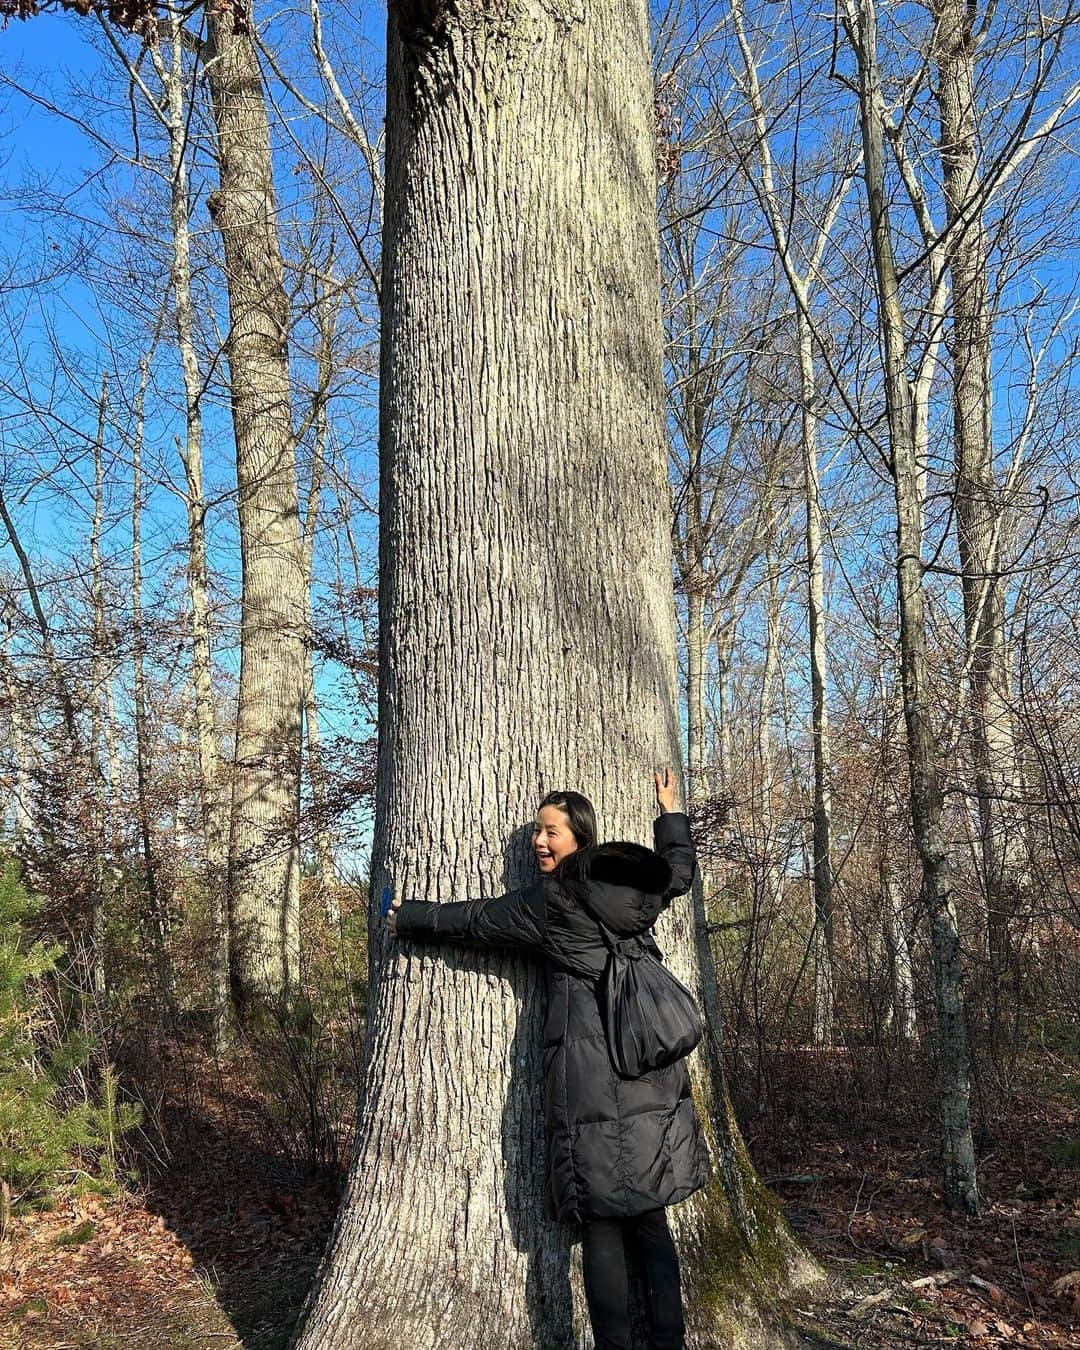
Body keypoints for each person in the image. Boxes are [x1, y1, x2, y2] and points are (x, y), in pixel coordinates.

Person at [386, 767, 711, 1350]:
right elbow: (678, 874)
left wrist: (405, 914)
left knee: (604, 1225)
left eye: (551, 832)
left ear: (578, 841)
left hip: (591, 1078)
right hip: (651, 1072)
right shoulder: (631, 886)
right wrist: (669, 815)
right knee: (650, 1217)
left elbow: (476, 920)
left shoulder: (554, 901)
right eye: (538, 831)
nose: (540, 842)